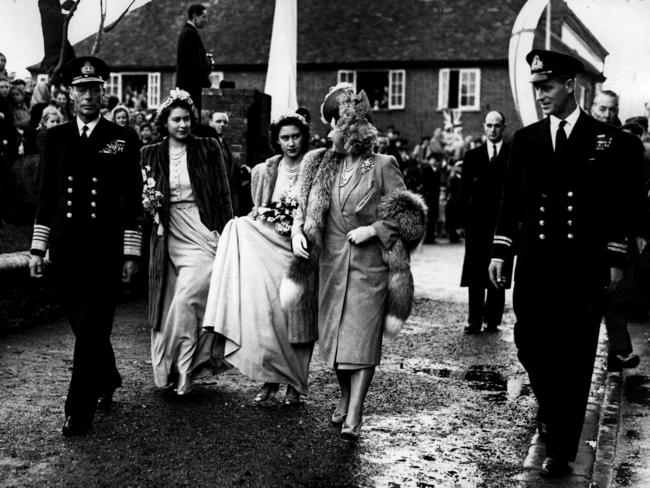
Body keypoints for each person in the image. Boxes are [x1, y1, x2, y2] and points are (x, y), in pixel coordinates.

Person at [488, 50, 632, 477]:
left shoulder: (606, 141)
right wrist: (500, 250)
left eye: (547, 87)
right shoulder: (527, 140)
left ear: (570, 85)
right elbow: (510, 201)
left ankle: (562, 447)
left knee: (575, 354)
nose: (541, 95)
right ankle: (552, 410)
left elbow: (619, 205)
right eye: (536, 88)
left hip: (582, 269)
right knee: (529, 342)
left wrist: (615, 258)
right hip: (535, 266)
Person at [283, 83, 427, 441]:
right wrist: (298, 233)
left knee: (361, 341)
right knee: (334, 342)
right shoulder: (318, 164)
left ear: (356, 128)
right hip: (330, 266)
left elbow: (409, 214)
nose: (334, 130)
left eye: (340, 123)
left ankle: (356, 411)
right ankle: (346, 396)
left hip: (369, 267)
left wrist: (375, 229)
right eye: (332, 123)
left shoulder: (381, 165)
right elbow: (303, 209)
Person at [28, 56, 143, 436]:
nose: (89, 96)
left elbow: (132, 199)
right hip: (65, 248)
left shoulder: (122, 138)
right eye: (81, 88)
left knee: (92, 327)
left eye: (95, 88)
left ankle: (78, 410)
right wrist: (37, 248)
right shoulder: (55, 138)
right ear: (69, 93)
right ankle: (107, 375)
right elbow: (46, 195)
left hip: (104, 250)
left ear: (103, 91)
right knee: (84, 326)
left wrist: (130, 252)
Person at [203, 112, 315, 404]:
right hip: (269, 245)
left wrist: (301, 230)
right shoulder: (267, 170)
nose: (291, 143)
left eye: (296, 136)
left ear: (304, 136)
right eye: (285, 138)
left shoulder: (315, 167)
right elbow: (260, 208)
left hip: (301, 248)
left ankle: (294, 383)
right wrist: (256, 216)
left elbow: (318, 210)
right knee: (268, 314)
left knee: (297, 315)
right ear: (276, 141)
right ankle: (269, 379)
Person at [141, 88, 232, 395]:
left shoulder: (208, 147)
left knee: (188, 297)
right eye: (176, 119)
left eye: (187, 119)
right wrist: (146, 206)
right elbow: (136, 199)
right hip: (165, 233)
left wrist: (227, 233)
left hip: (201, 229)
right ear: (164, 121)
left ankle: (186, 368)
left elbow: (222, 194)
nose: (182, 125)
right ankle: (170, 370)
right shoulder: (149, 153)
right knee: (167, 303)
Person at [590, 90, 647, 371]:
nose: (607, 115)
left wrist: (640, 231)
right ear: (592, 108)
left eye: (612, 109)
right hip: (585, 233)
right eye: (601, 109)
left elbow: (637, 194)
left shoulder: (628, 144)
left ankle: (620, 351)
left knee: (617, 293)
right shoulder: (580, 139)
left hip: (618, 231)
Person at [458, 111, 512, 333]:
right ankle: (474, 319)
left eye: (497, 126)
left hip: (501, 223)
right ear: (484, 127)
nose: (493, 130)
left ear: (503, 127)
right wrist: (461, 221)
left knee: (499, 270)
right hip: (477, 223)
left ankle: (493, 319)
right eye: (489, 125)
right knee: (476, 271)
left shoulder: (512, 155)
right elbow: (463, 191)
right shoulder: (473, 156)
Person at [176, 3, 211, 115]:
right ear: (195, 16)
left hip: (190, 89)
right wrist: (207, 81)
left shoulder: (190, 33)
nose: (206, 20)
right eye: (204, 17)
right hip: (191, 90)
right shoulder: (189, 34)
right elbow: (192, 65)